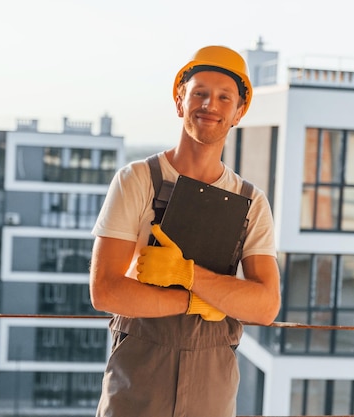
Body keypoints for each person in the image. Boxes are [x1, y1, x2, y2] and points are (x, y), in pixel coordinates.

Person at [89, 45, 281, 417]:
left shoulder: (250, 201)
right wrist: (195, 301)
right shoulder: (136, 180)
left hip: (213, 384)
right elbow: (105, 290)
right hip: (139, 378)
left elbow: (266, 306)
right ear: (180, 102)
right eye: (200, 93)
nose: (210, 104)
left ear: (238, 112)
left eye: (225, 97)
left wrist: (187, 274)